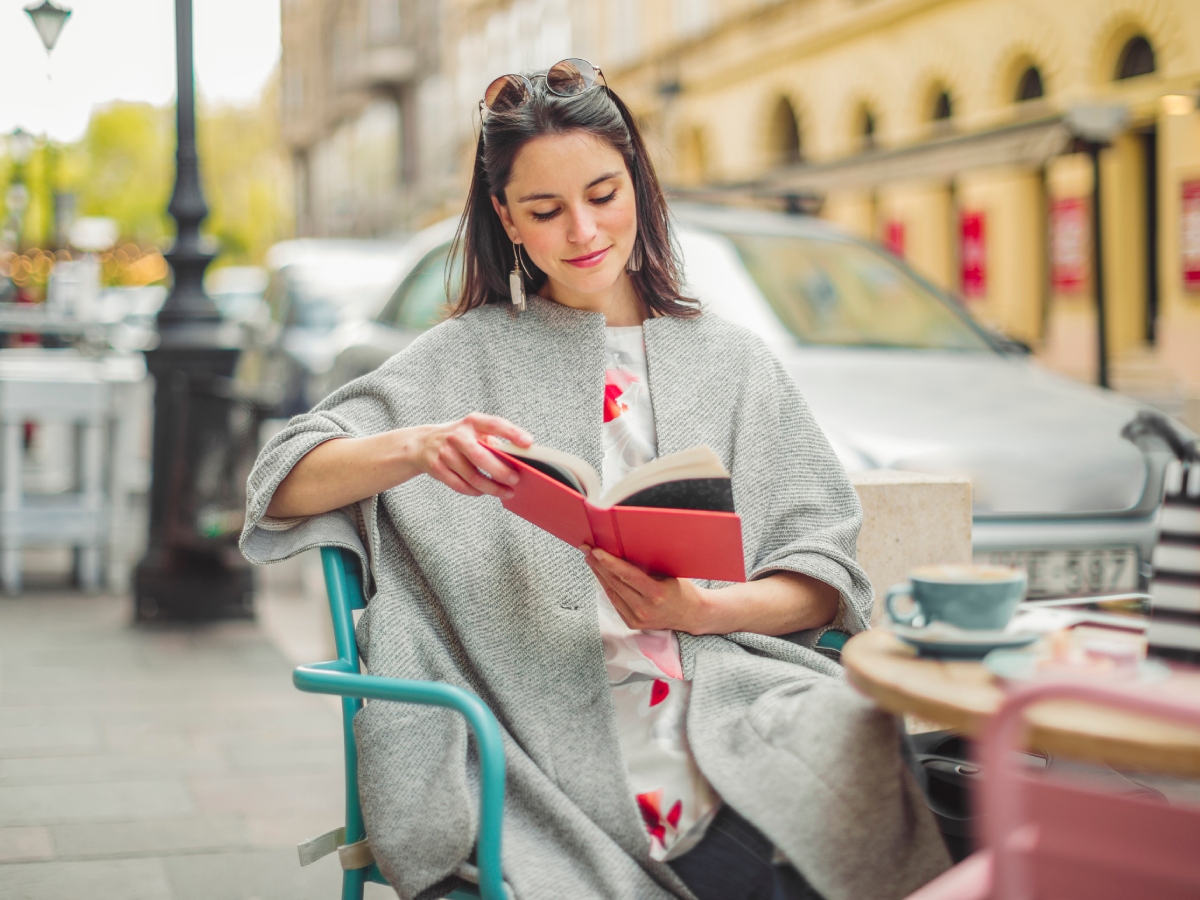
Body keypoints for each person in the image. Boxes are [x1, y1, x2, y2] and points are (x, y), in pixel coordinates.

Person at [242, 59, 948, 900]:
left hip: (727, 693)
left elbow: (824, 575)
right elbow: (280, 480)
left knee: (854, 770)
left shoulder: (734, 363)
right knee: (762, 866)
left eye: (603, 195)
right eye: (546, 210)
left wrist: (700, 612)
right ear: (506, 217)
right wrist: (418, 447)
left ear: (639, 186)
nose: (582, 231)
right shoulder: (462, 356)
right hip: (530, 726)